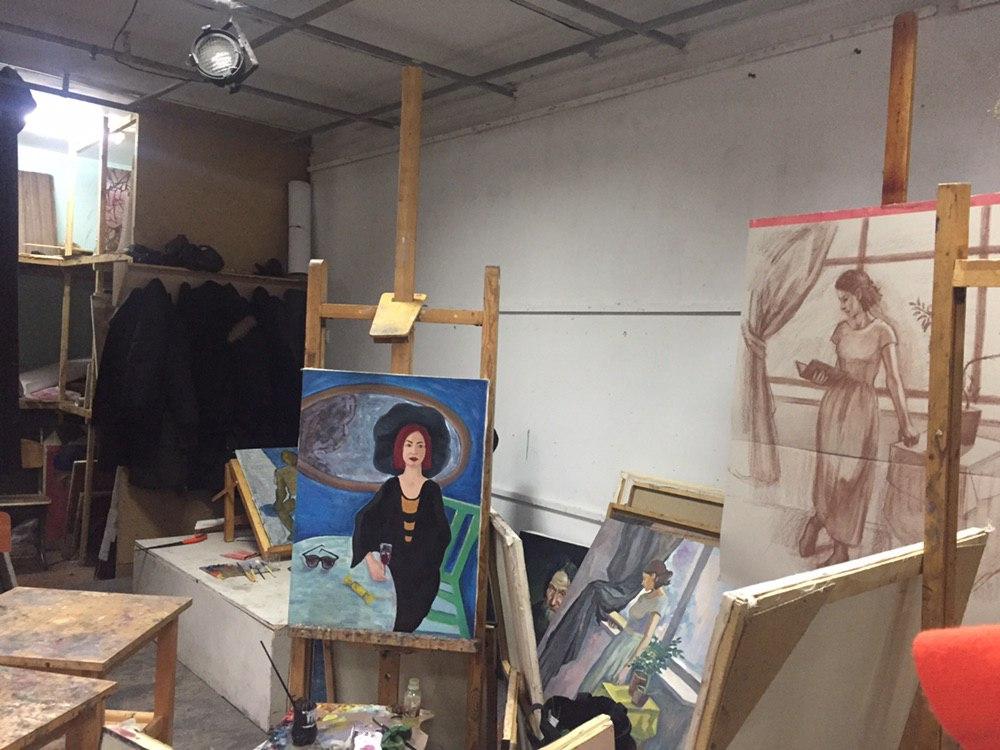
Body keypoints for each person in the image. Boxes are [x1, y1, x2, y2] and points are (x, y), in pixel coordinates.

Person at [798, 269, 918, 566]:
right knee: (828, 472)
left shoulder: (883, 332)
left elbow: (893, 379)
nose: (842, 306)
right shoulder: (840, 330)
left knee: (851, 477)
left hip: (861, 409)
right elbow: (839, 372)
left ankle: (841, 547)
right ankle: (818, 520)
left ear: (860, 295)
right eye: (839, 300)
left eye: (846, 299)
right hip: (833, 406)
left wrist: (905, 422)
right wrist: (821, 376)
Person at [351, 403, 452, 632]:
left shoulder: (432, 490)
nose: (414, 451)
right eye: (408, 444)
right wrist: (371, 561)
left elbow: (441, 535)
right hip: (391, 568)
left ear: (427, 451)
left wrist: (420, 560)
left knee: (404, 617)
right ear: (399, 449)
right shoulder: (391, 487)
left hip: (421, 574)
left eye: (420, 445)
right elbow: (364, 520)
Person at [578, 559, 672, 694]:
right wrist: (617, 622)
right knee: (595, 676)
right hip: (620, 640)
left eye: (645, 579)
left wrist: (627, 667)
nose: (642, 583)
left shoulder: (661, 601)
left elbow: (647, 637)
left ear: (654, 577)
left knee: (605, 682)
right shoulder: (644, 597)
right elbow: (632, 622)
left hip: (629, 649)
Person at [533, 566, 573, 642]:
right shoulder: (532, 614)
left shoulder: (575, 628)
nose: (553, 602)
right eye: (552, 589)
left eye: (562, 594)